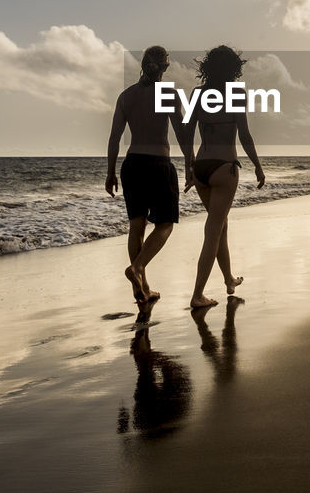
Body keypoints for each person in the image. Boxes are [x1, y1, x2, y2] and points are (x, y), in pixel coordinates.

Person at [106, 46, 192, 303]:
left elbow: (114, 138)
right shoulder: (168, 94)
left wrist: (110, 172)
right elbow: (182, 134)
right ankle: (138, 268)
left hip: (131, 165)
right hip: (158, 164)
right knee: (165, 223)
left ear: (143, 65)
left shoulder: (126, 96)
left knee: (137, 225)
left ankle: (141, 289)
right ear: (165, 67)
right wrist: (190, 164)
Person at [184, 45, 265, 309]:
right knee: (213, 232)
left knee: (221, 226)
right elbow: (245, 135)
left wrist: (189, 166)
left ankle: (229, 279)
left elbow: (186, 133)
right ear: (234, 69)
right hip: (224, 168)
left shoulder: (198, 94)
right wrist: (257, 165)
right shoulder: (236, 93)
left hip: (202, 168)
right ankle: (197, 294)